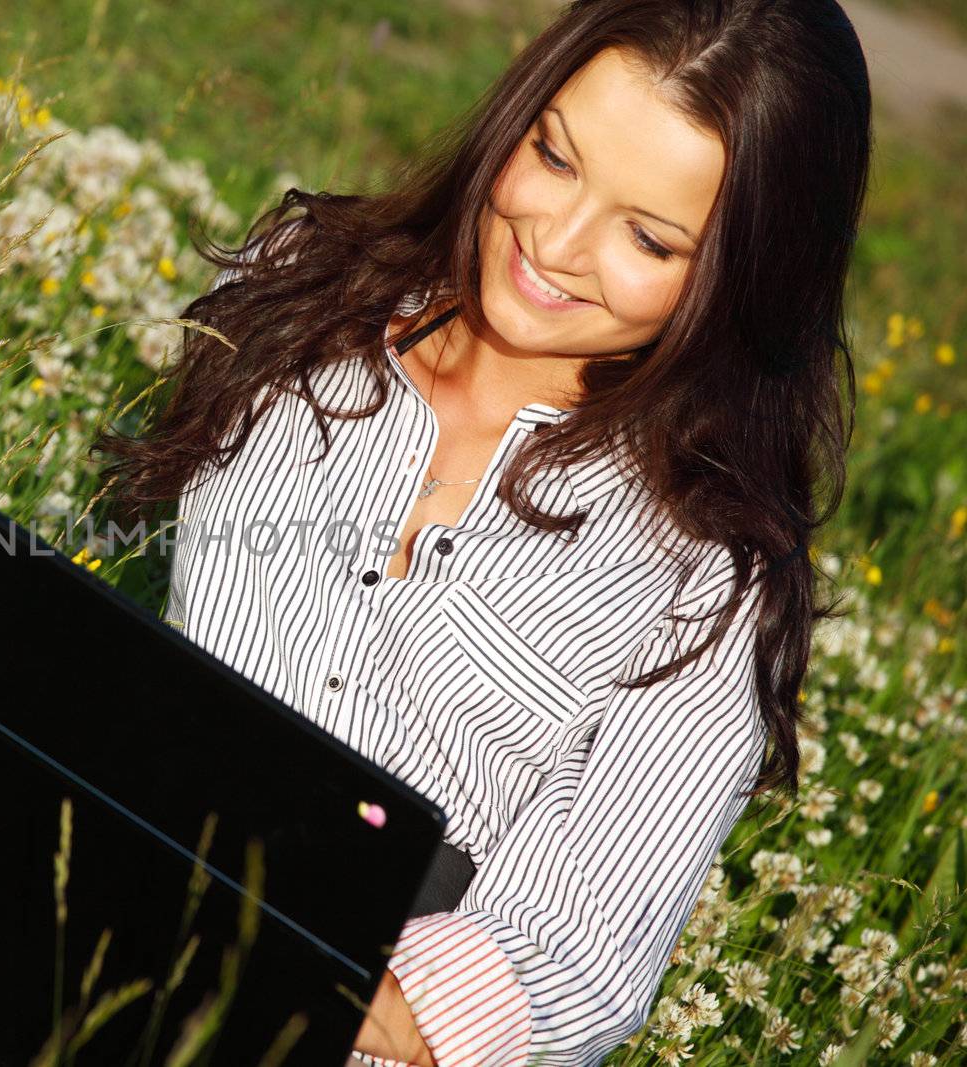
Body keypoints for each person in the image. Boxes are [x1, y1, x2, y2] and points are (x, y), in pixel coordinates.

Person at [91, 1, 871, 1064]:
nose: (552, 243)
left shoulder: (709, 577)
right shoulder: (295, 301)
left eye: (647, 236)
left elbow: (575, 962)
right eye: (552, 156)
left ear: (745, 280)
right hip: (79, 907)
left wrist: (263, 953)